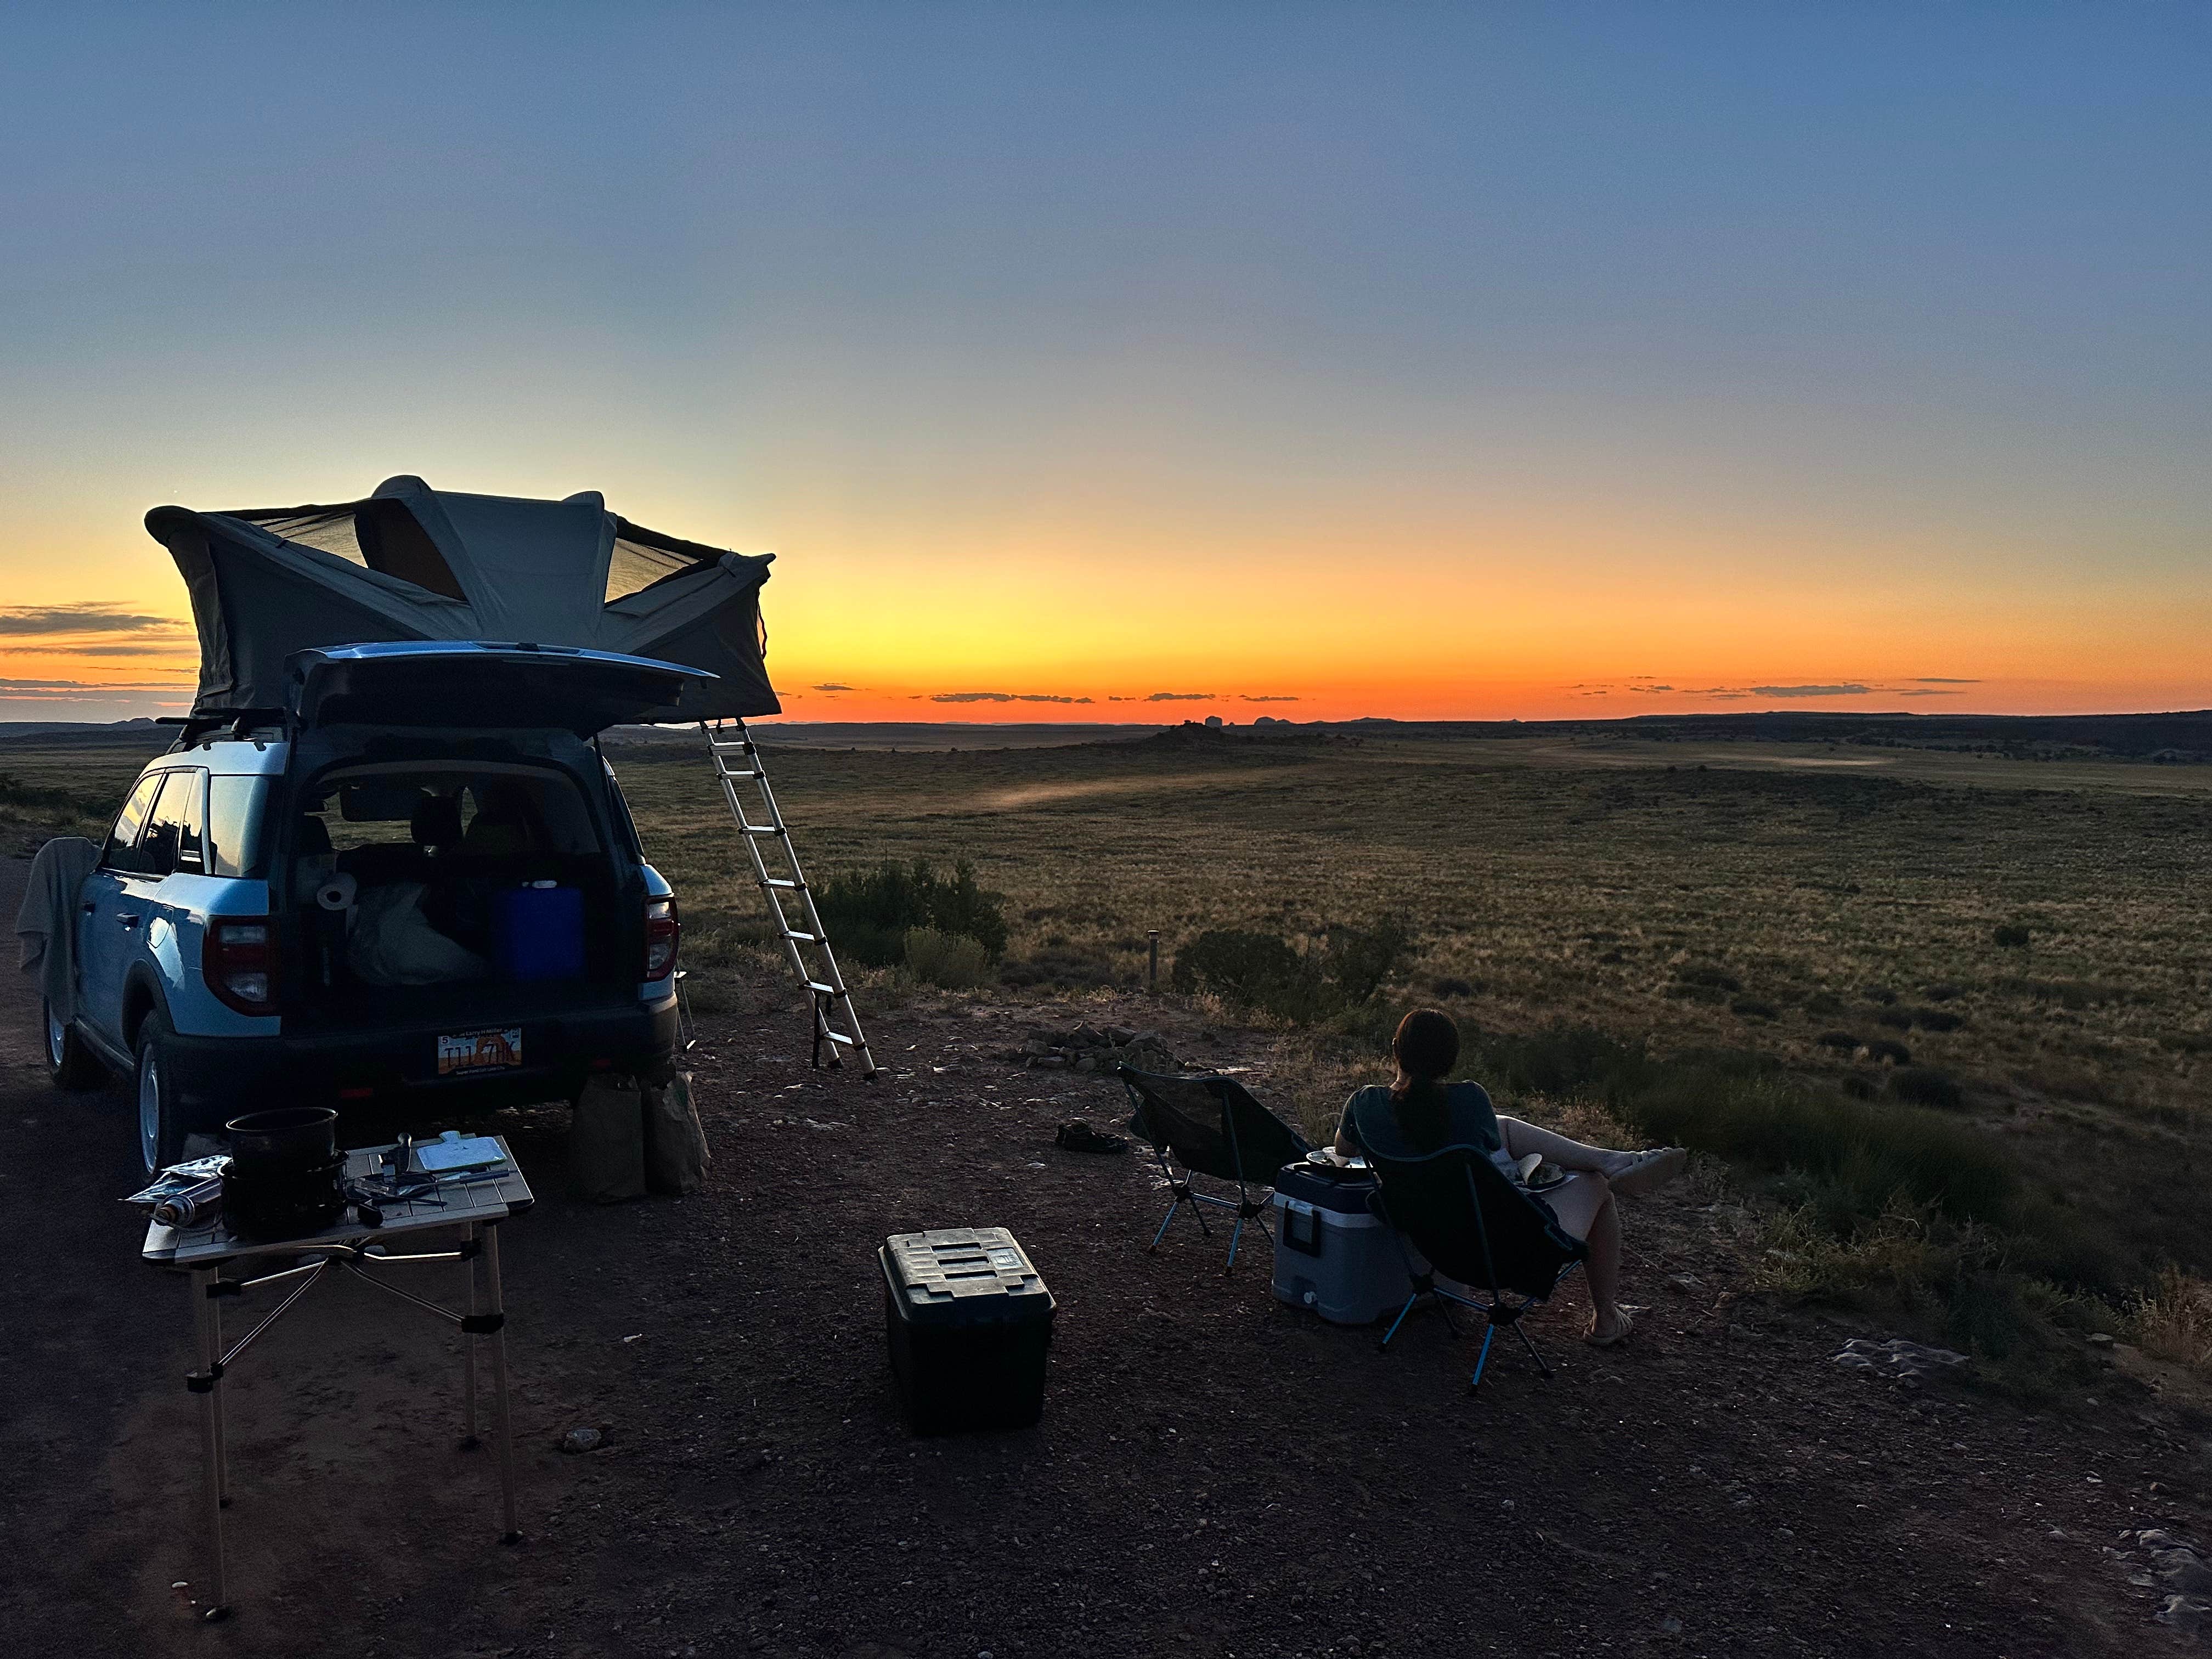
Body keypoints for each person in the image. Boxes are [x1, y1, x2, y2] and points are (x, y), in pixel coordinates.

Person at [1335, 1007, 1686, 1347]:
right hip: (1505, 1255)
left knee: (1503, 1127)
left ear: (1395, 1050)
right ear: (1451, 1061)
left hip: (1436, 1248)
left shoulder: (1363, 1104)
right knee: (1597, 1187)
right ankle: (1606, 1318)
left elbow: (1344, 1150)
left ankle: (1614, 1159)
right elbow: (1486, 1145)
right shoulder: (1470, 1101)